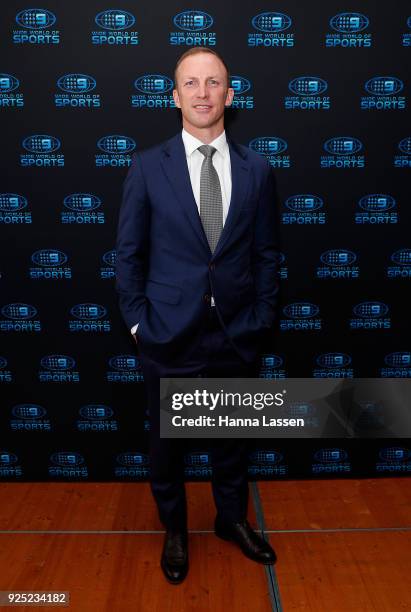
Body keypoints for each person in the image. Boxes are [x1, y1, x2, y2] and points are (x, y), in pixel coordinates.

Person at [115, 47, 279, 584]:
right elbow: (129, 254)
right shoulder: (146, 166)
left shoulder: (257, 169)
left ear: (230, 96)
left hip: (235, 333)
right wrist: (140, 324)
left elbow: (265, 254)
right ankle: (176, 528)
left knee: (231, 439)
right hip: (168, 334)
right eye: (192, 83)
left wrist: (261, 317)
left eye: (214, 83)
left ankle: (231, 520)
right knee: (167, 448)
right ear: (175, 95)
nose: (203, 93)